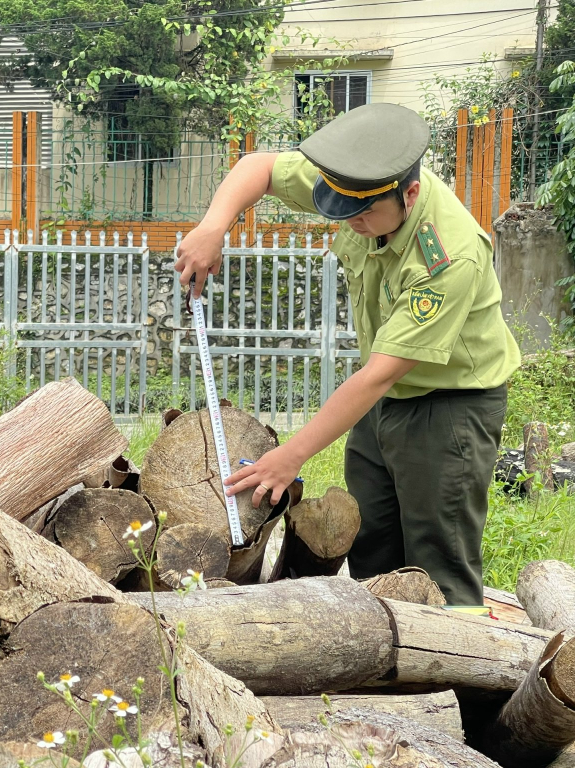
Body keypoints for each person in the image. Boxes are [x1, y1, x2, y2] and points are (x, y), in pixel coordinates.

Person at [174, 103, 520, 606]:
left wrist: (290, 456)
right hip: (383, 402)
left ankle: (462, 671)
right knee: (372, 546)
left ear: (411, 192)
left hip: (450, 406)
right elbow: (260, 167)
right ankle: (381, 670)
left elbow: (378, 375)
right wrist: (213, 227)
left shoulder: (448, 257)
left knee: (436, 561)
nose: (352, 223)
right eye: (343, 211)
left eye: (363, 214)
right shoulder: (356, 180)